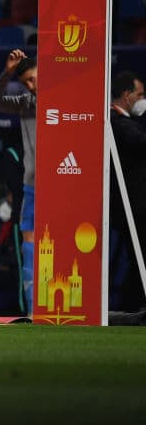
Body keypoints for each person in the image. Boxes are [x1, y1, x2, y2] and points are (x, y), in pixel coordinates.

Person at [0, 49, 37, 318]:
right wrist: (6, 75)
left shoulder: (66, 101)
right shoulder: (25, 103)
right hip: (32, 186)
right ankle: (33, 310)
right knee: (29, 244)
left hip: (64, 185)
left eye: (34, 78)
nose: (31, 85)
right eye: (26, 82)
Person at [109, 70, 146, 312]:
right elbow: (140, 142)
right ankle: (133, 308)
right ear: (126, 95)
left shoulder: (127, 123)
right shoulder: (115, 122)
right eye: (140, 94)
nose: (142, 99)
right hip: (129, 207)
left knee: (135, 260)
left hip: (133, 206)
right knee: (137, 259)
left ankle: (133, 307)